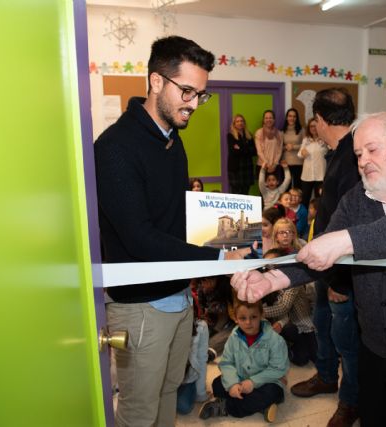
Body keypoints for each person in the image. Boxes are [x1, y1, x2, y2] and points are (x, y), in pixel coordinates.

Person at [232, 111, 386, 427]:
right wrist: (270, 280)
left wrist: (345, 240)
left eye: (372, 150)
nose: (362, 162)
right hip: (373, 351)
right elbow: (321, 252)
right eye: (359, 154)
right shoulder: (355, 200)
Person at [94, 35, 248, 427]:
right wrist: (218, 257)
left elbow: (178, 217)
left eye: (202, 95)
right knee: (139, 409)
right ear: (156, 81)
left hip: (178, 295)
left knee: (168, 391)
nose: (195, 104)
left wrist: (231, 235)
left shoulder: (171, 142)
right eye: (188, 91)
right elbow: (140, 238)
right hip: (141, 305)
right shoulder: (115, 148)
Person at [287, 88, 364, 427]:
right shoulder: (340, 151)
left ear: (318, 120)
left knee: (347, 340)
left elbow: (355, 225)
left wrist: (340, 281)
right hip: (325, 266)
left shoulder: (353, 157)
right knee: (322, 325)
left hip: (341, 272)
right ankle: (324, 375)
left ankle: (350, 403)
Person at [199, 299, 288, 423]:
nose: (248, 322)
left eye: (253, 317)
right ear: (235, 319)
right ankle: (262, 407)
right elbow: (226, 362)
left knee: (273, 392)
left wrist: (253, 382)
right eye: (243, 318)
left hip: (266, 382)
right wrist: (232, 384)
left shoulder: (275, 340)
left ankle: (227, 407)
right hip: (240, 379)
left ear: (261, 316)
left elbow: (278, 368)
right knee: (217, 385)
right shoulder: (233, 338)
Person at [262, 248, 317, 367]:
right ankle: (287, 347)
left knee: (315, 357)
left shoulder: (292, 281)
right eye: (267, 265)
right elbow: (280, 310)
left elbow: (283, 307)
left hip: (306, 326)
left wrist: (259, 313)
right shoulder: (269, 283)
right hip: (290, 326)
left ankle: (289, 348)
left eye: (274, 264)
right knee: (301, 360)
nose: (270, 268)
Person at [298, 117, 328, 205]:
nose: (313, 128)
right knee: (305, 199)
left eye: (315, 126)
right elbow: (299, 154)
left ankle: (317, 219)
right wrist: (302, 152)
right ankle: (304, 217)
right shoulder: (306, 140)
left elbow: (331, 150)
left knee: (319, 200)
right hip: (307, 175)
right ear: (309, 128)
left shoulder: (325, 139)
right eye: (311, 126)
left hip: (320, 175)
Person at [227, 114, 256, 195]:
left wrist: (240, 148)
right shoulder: (231, 135)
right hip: (236, 170)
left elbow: (254, 152)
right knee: (237, 195)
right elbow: (233, 152)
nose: (240, 123)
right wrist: (246, 149)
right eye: (237, 121)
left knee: (246, 193)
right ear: (234, 124)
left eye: (242, 121)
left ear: (244, 123)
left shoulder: (249, 135)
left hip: (247, 168)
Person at [255, 110, 284, 182]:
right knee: (263, 191)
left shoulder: (279, 133)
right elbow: (259, 152)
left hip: (275, 166)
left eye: (270, 118)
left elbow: (279, 151)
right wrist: (267, 164)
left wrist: (274, 165)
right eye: (266, 118)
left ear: (274, 120)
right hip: (262, 166)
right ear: (263, 120)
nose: (268, 120)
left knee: (275, 191)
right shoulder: (259, 132)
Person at [281, 108, 304, 189]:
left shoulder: (301, 130)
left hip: (299, 163)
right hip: (286, 163)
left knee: (298, 187)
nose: (292, 118)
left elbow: (305, 145)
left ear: (296, 118)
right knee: (286, 187)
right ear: (287, 117)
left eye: (294, 116)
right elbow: (279, 147)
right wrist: (285, 147)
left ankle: (298, 202)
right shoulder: (282, 131)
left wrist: (293, 147)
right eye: (290, 116)